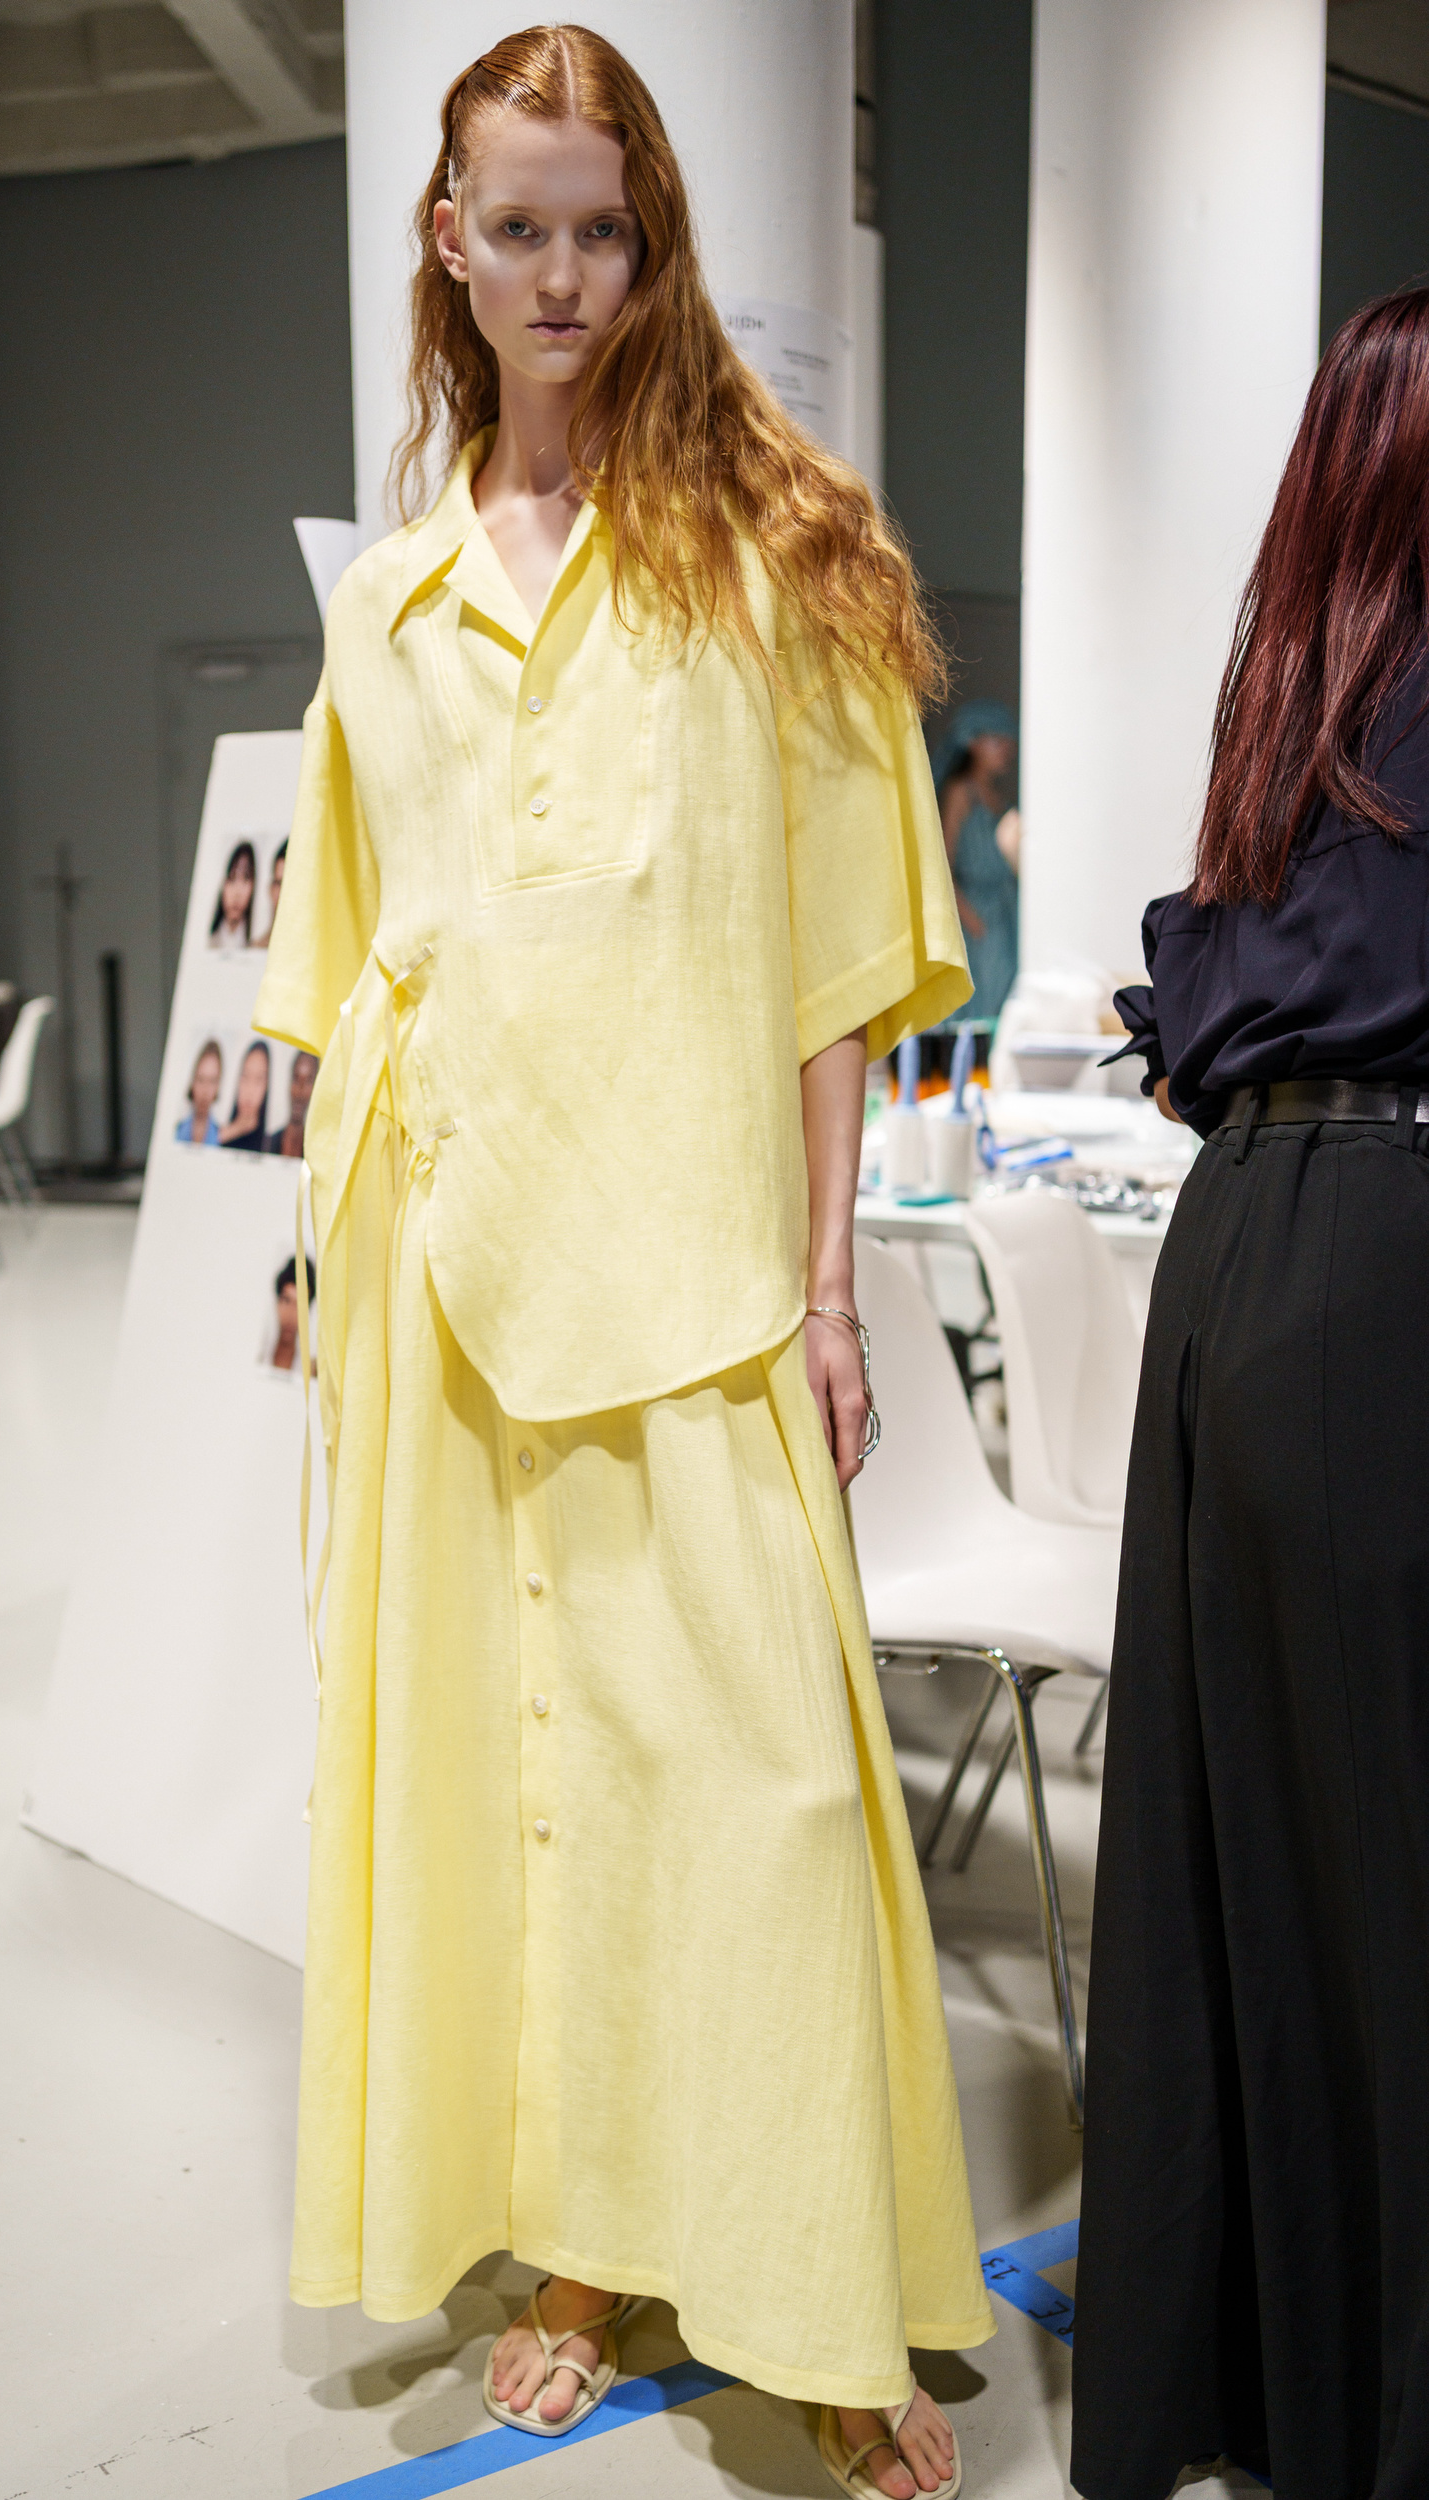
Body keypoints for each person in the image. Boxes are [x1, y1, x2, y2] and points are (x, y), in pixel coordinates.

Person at [254, 29, 990, 2499]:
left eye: (604, 229)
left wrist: (830, 1286)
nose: (562, 274)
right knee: (523, 1779)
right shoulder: (390, 604)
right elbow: (354, 959)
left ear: (651, 248)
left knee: (762, 1787)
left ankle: (814, 2284)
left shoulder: (767, 564)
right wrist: (317, 1272)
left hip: (692, 1276)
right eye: (520, 227)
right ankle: (575, 2245)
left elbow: (829, 971)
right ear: (446, 243)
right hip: (445, 1266)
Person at [1072, 284, 1429, 2500]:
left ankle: (1254, 2392)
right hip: (1381, 1255)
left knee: (1245, 1857)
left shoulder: (1295, 690)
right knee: (1386, 1874)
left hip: (1240, 1255)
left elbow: (1201, 997)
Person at [929, 702, 1019, 1026]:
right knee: (978, 1010)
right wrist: (972, 922)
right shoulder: (961, 792)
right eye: (996, 740)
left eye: (1008, 740)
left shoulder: (999, 797)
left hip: (1005, 914)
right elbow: (943, 866)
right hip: (975, 917)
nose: (1006, 749)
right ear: (972, 742)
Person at [218, 1038, 270, 1152]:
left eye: (258, 1079)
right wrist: (235, 1129)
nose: (250, 1090)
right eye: (245, 1076)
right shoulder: (217, 1135)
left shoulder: (271, 1146)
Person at [266, 1254, 316, 1372]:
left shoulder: (313, 1371)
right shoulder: (256, 1355)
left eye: (300, 1305)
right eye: (287, 1300)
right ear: (277, 1302)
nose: (292, 1313)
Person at [268, 1047, 317, 1155]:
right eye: (296, 1078)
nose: (300, 1090)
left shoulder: (316, 1152)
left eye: (308, 1081)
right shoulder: (267, 1144)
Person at [174, 1039, 222, 1145]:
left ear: (218, 1085)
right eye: (201, 1079)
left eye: (212, 1081)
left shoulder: (222, 1137)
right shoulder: (175, 1131)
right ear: (193, 1081)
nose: (205, 1090)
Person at [209, 840, 256, 948]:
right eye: (232, 878)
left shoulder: (256, 944)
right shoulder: (209, 942)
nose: (237, 893)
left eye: (246, 879)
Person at [255, 838, 288, 946]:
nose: (284, 894)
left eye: (290, 885)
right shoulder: (255, 948)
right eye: (279, 883)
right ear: (271, 889)